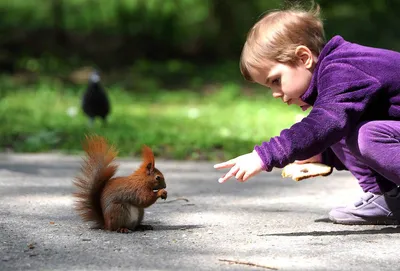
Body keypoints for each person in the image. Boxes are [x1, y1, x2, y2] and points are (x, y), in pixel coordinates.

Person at [213, 3, 400, 225]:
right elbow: (336, 130)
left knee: (366, 135)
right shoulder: (335, 82)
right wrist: (323, 156)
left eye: (275, 80)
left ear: (303, 58)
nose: (275, 93)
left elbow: (325, 123)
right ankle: (388, 198)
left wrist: (265, 155)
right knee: (340, 128)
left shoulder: (343, 70)